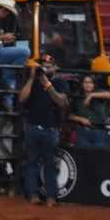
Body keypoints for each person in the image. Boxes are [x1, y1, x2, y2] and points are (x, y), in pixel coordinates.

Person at [18, 53, 69, 206]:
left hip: (51, 129)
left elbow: (62, 102)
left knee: (50, 164)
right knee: (31, 162)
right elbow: (21, 98)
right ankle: (33, 195)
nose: (46, 68)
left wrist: (48, 85)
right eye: (43, 65)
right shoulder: (32, 83)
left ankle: (51, 197)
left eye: (49, 65)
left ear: (55, 67)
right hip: (33, 127)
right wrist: (33, 78)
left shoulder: (60, 83)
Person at [69, 74, 110, 148]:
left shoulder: (100, 93)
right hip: (83, 130)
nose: (88, 85)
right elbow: (69, 115)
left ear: (94, 84)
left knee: (100, 155)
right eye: (85, 82)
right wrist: (80, 119)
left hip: (100, 130)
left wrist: (91, 95)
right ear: (82, 84)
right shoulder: (77, 96)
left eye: (90, 82)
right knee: (84, 155)